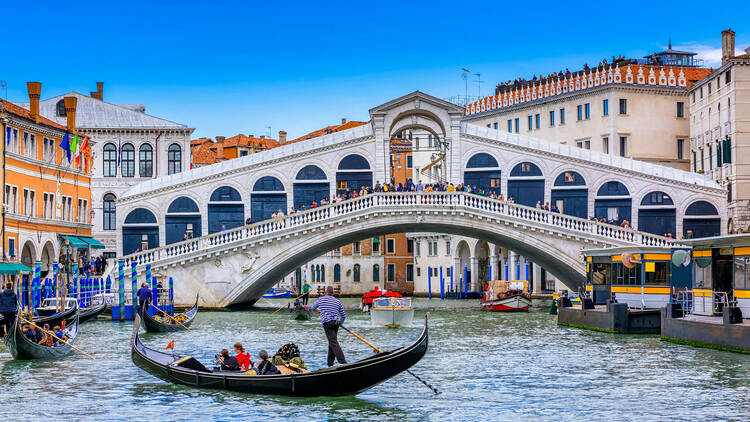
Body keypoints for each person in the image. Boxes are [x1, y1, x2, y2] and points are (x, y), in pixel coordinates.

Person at [310, 286, 347, 367]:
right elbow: (343, 315)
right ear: (333, 293)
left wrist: (319, 310)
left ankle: (343, 362)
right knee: (332, 342)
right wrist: (340, 322)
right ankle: (330, 364)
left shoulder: (321, 299)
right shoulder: (337, 301)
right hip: (335, 323)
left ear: (326, 292)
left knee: (333, 342)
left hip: (327, 324)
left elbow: (312, 308)